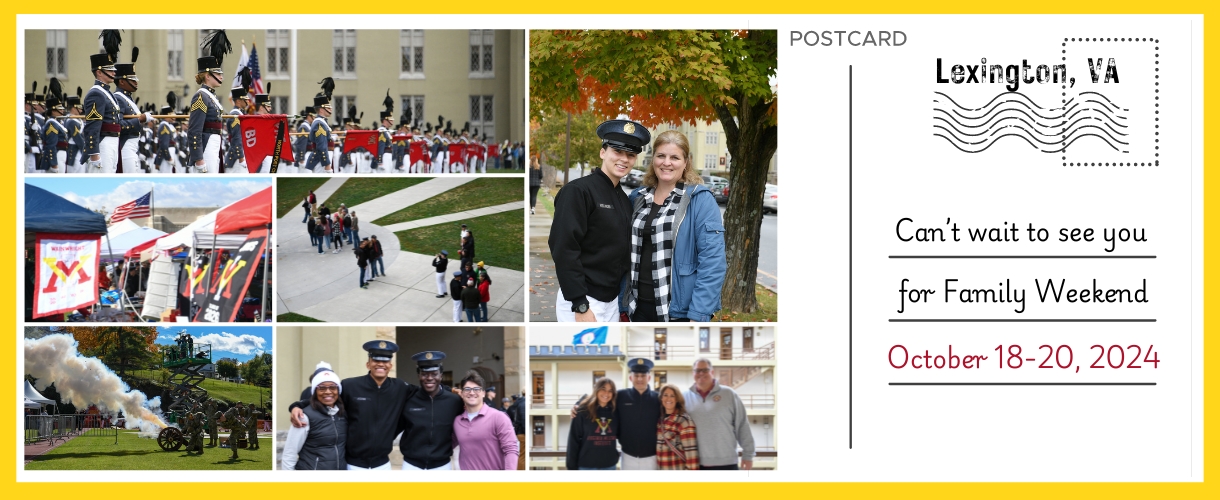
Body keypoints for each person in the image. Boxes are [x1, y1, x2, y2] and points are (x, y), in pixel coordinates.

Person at [621, 130, 727, 322]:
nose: (666, 162)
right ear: (653, 159)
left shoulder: (700, 200)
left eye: (675, 157)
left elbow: (712, 263)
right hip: (636, 307)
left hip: (679, 313)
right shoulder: (638, 197)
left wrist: (699, 314)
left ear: (686, 162)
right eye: (661, 155)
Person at [549, 119, 648, 322]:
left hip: (611, 301)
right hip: (583, 300)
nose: (624, 159)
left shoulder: (623, 197)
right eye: (617, 151)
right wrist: (580, 304)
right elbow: (564, 248)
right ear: (603, 152)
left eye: (630, 155)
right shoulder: (578, 191)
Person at [288, 340, 423, 470]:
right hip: (353, 465)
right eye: (376, 360)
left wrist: (445, 389)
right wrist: (297, 405)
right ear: (368, 364)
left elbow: (427, 392)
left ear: (390, 365)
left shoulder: (400, 387)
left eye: (386, 360)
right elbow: (327, 397)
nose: (381, 364)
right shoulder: (350, 385)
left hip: (383, 465)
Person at [570, 357, 659, 469]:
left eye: (643, 375)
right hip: (628, 456)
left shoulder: (658, 398)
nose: (639, 379)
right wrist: (578, 404)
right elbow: (599, 395)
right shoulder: (621, 395)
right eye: (636, 375)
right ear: (631, 378)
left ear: (649, 377)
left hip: (651, 456)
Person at [398, 351, 464, 470]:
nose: (429, 378)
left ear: (441, 376)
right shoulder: (408, 399)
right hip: (411, 466)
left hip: (442, 466)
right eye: (424, 374)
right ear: (418, 375)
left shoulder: (455, 401)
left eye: (434, 374)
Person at [685, 358, 754, 470]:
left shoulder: (729, 394)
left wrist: (748, 455)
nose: (701, 373)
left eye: (705, 370)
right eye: (697, 370)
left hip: (726, 463)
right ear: (693, 373)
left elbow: (742, 425)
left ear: (712, 372)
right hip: (695, 463)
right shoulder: (684, 397)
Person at [281, 363, 347, 470]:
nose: (328, 392)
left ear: (338, 390)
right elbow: (290, 454)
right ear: (315, 392)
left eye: (333, 387)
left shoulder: (342, 413)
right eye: (322, 388)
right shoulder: (303, 416)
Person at [451, 371, 518, 470]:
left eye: (477, 389)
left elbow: (511, 449)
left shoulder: (499, 417)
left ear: (483, 393)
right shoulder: (457, 421)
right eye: (467, 389)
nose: (472, 392)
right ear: (462, 393)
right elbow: (445, 446)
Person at [188, 30, 231, 174]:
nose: (221, 77)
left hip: (214, 144)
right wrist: (198, 158)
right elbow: (194, 130)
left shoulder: (211, 96)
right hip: (206, 146)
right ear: (207, 75)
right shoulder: (201, 96)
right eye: (218, 73)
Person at [82, 34, 123, 174]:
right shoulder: (96, 93)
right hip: (103, 143)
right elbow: (92, 126)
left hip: (112, 141)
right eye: (110, 70)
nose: (114, 72)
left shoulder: (108, 93)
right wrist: (94, 153)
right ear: (99, 72)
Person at [566, 377, 619, 470]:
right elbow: (573, 439)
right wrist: (571, 466)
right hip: (586, 466)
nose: (606, 393)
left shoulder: (616, 412)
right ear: (596, 390)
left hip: (609, 466)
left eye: (610, 390)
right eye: (603, 389)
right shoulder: (582, 411)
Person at [656, 383, 699, 470]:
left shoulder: (684, 421)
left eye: (672, 396)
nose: (668, 398)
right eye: (665, 395)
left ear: (677, 399)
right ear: (661, 398)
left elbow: (692, 457)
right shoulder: (660, 421)